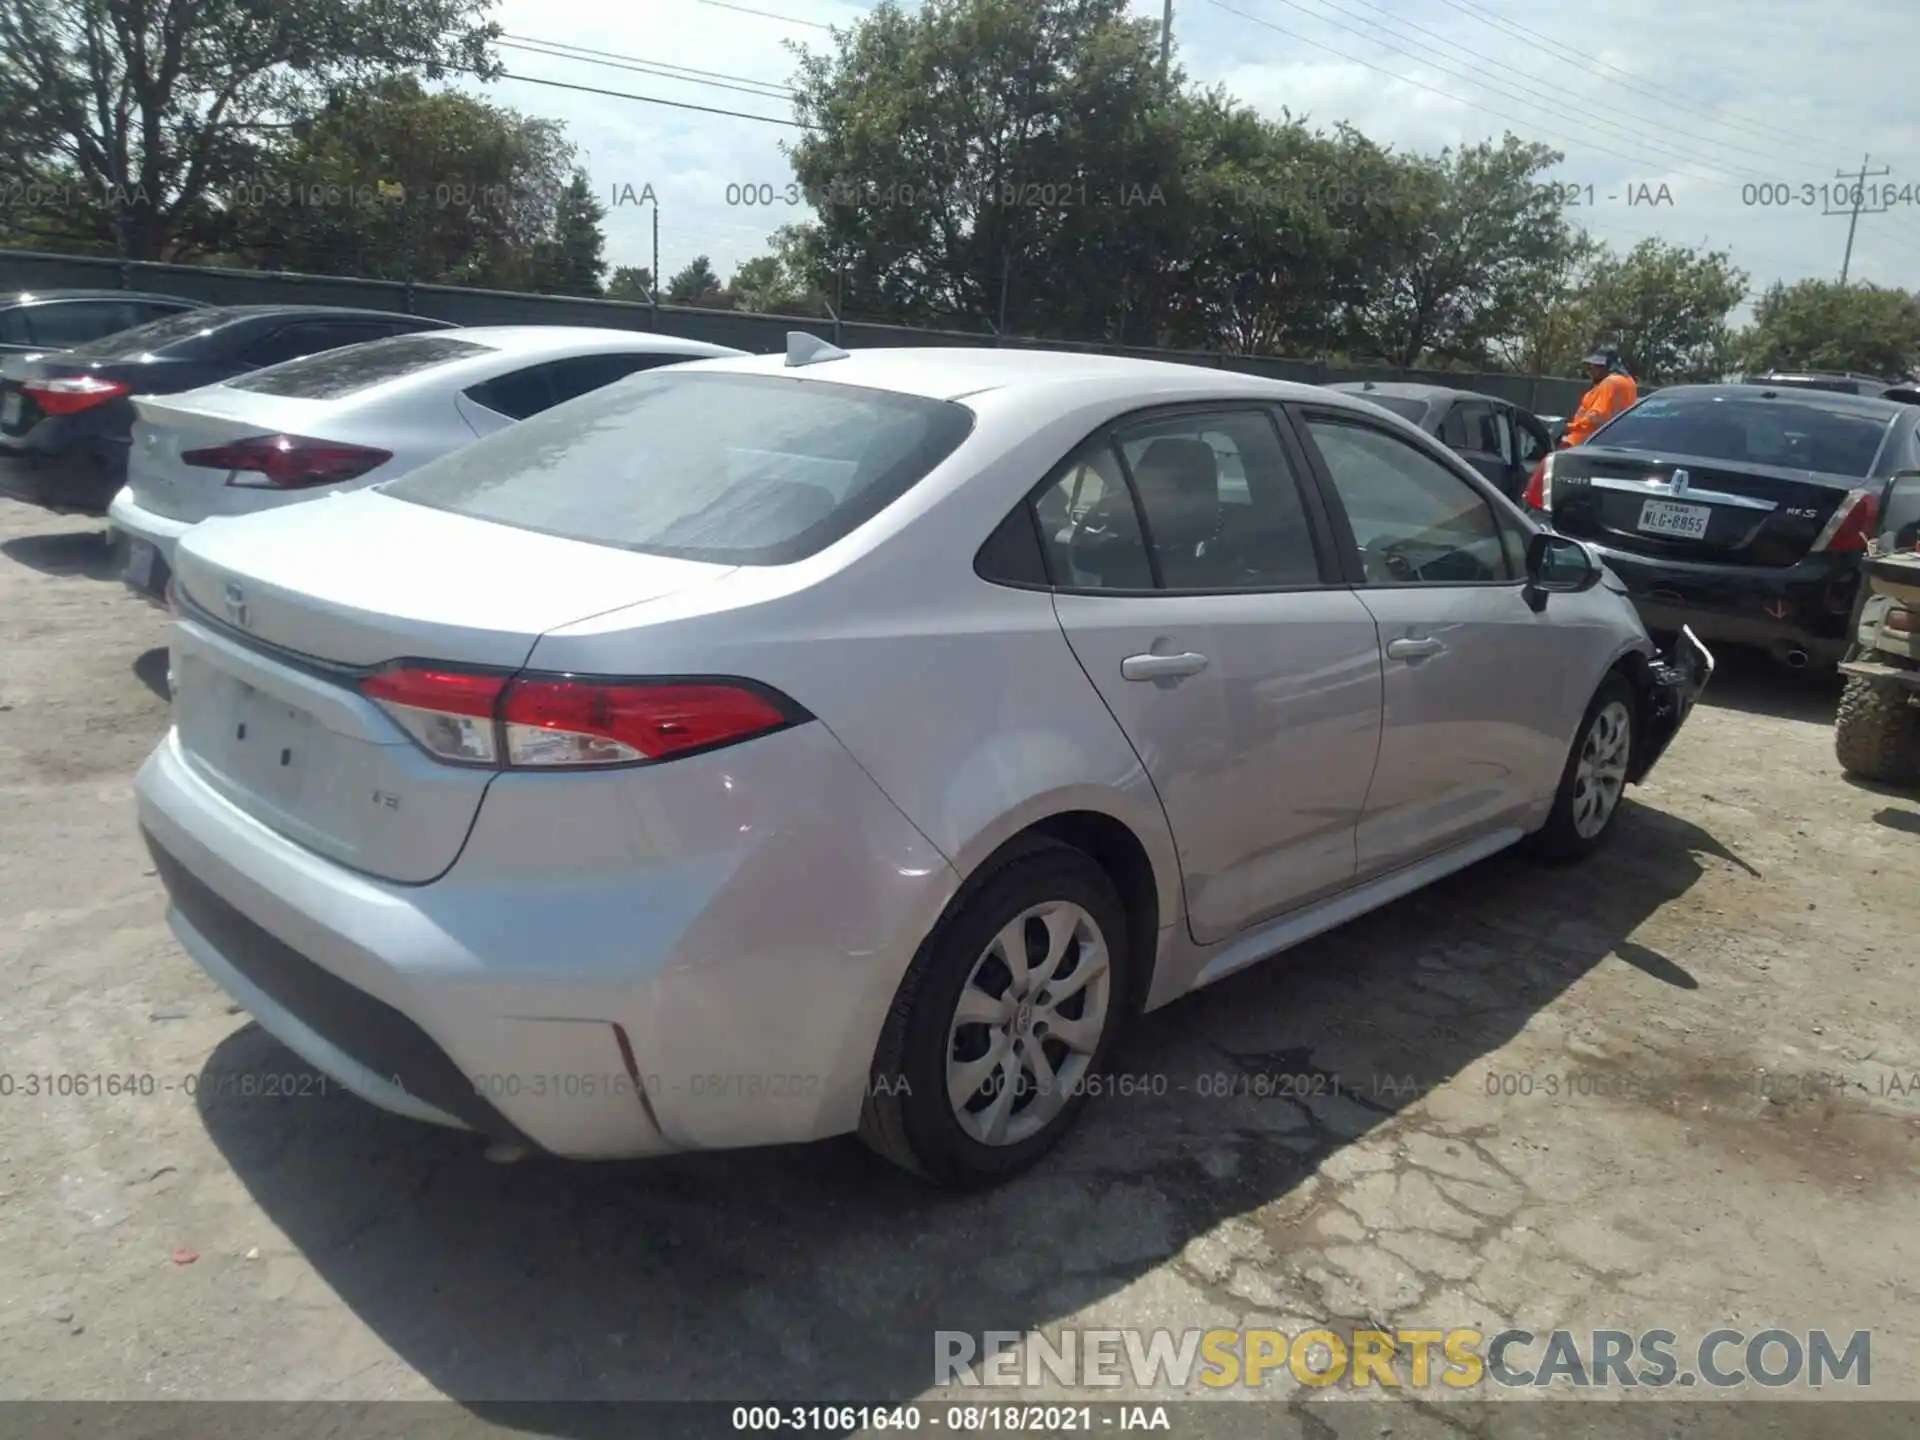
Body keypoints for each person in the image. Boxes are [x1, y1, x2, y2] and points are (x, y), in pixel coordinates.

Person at [1559, 346, 1638, 448]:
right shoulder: (1629, 382)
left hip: (1588, 443)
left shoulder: (1610, 383)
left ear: (1606, 366)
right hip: (1611, 442)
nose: (1591, 369)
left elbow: (1596, 418)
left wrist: (1568, 428)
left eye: (1596, 366)